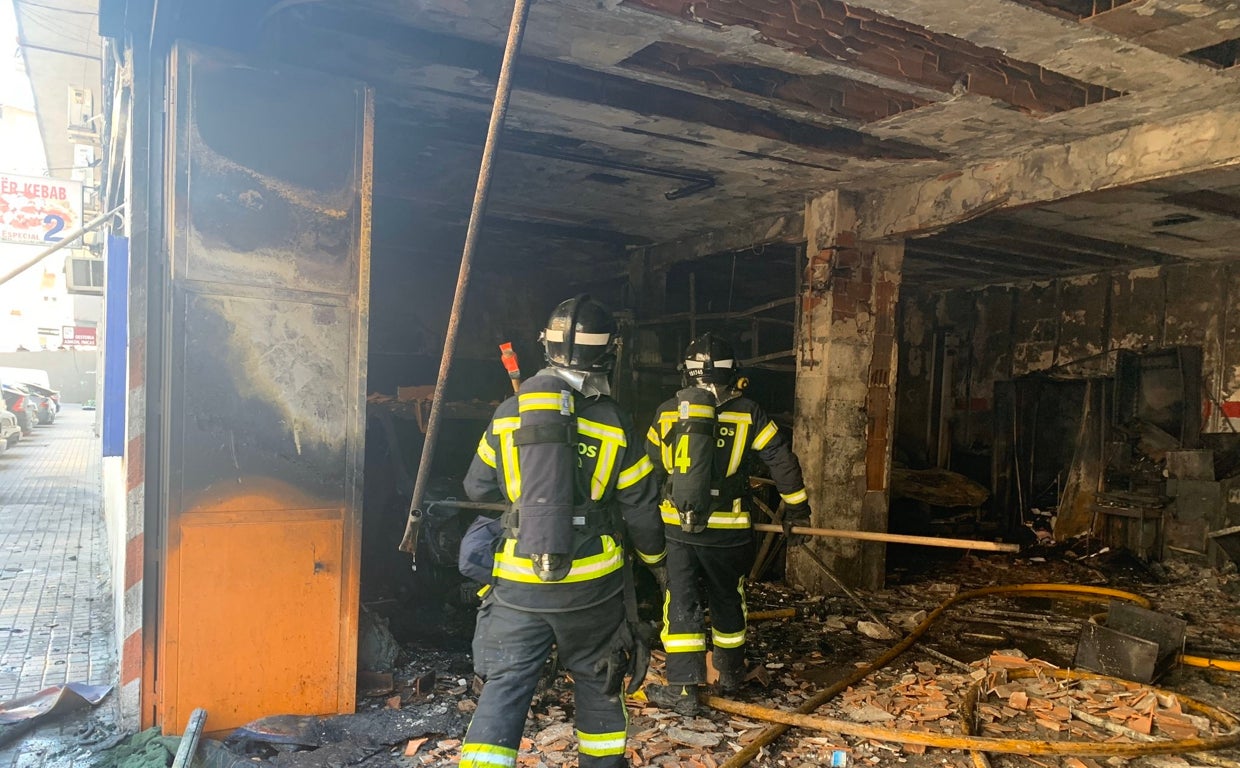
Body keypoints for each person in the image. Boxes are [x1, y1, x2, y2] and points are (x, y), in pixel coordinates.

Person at [458, 295, 666, 768]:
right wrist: (658, 565)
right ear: (608, 353)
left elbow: (476, 485)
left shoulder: (509, 412)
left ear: (545, 347)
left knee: (504, 688)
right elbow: (641, 511)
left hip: (517, 587)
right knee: (600, 684)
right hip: (591, 592)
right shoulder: (614, 421)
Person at [643, 332, 811, 715]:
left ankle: (685, 691)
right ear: (733, 373)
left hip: (679, 530)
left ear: (685, 373)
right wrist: (798, 511)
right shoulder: (748, 411)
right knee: (728, 597)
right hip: (730, 529)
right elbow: (781, 461)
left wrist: (645, 522)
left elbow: (648, 469)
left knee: (681, 603)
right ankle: (730, 675)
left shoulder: (668, 410)